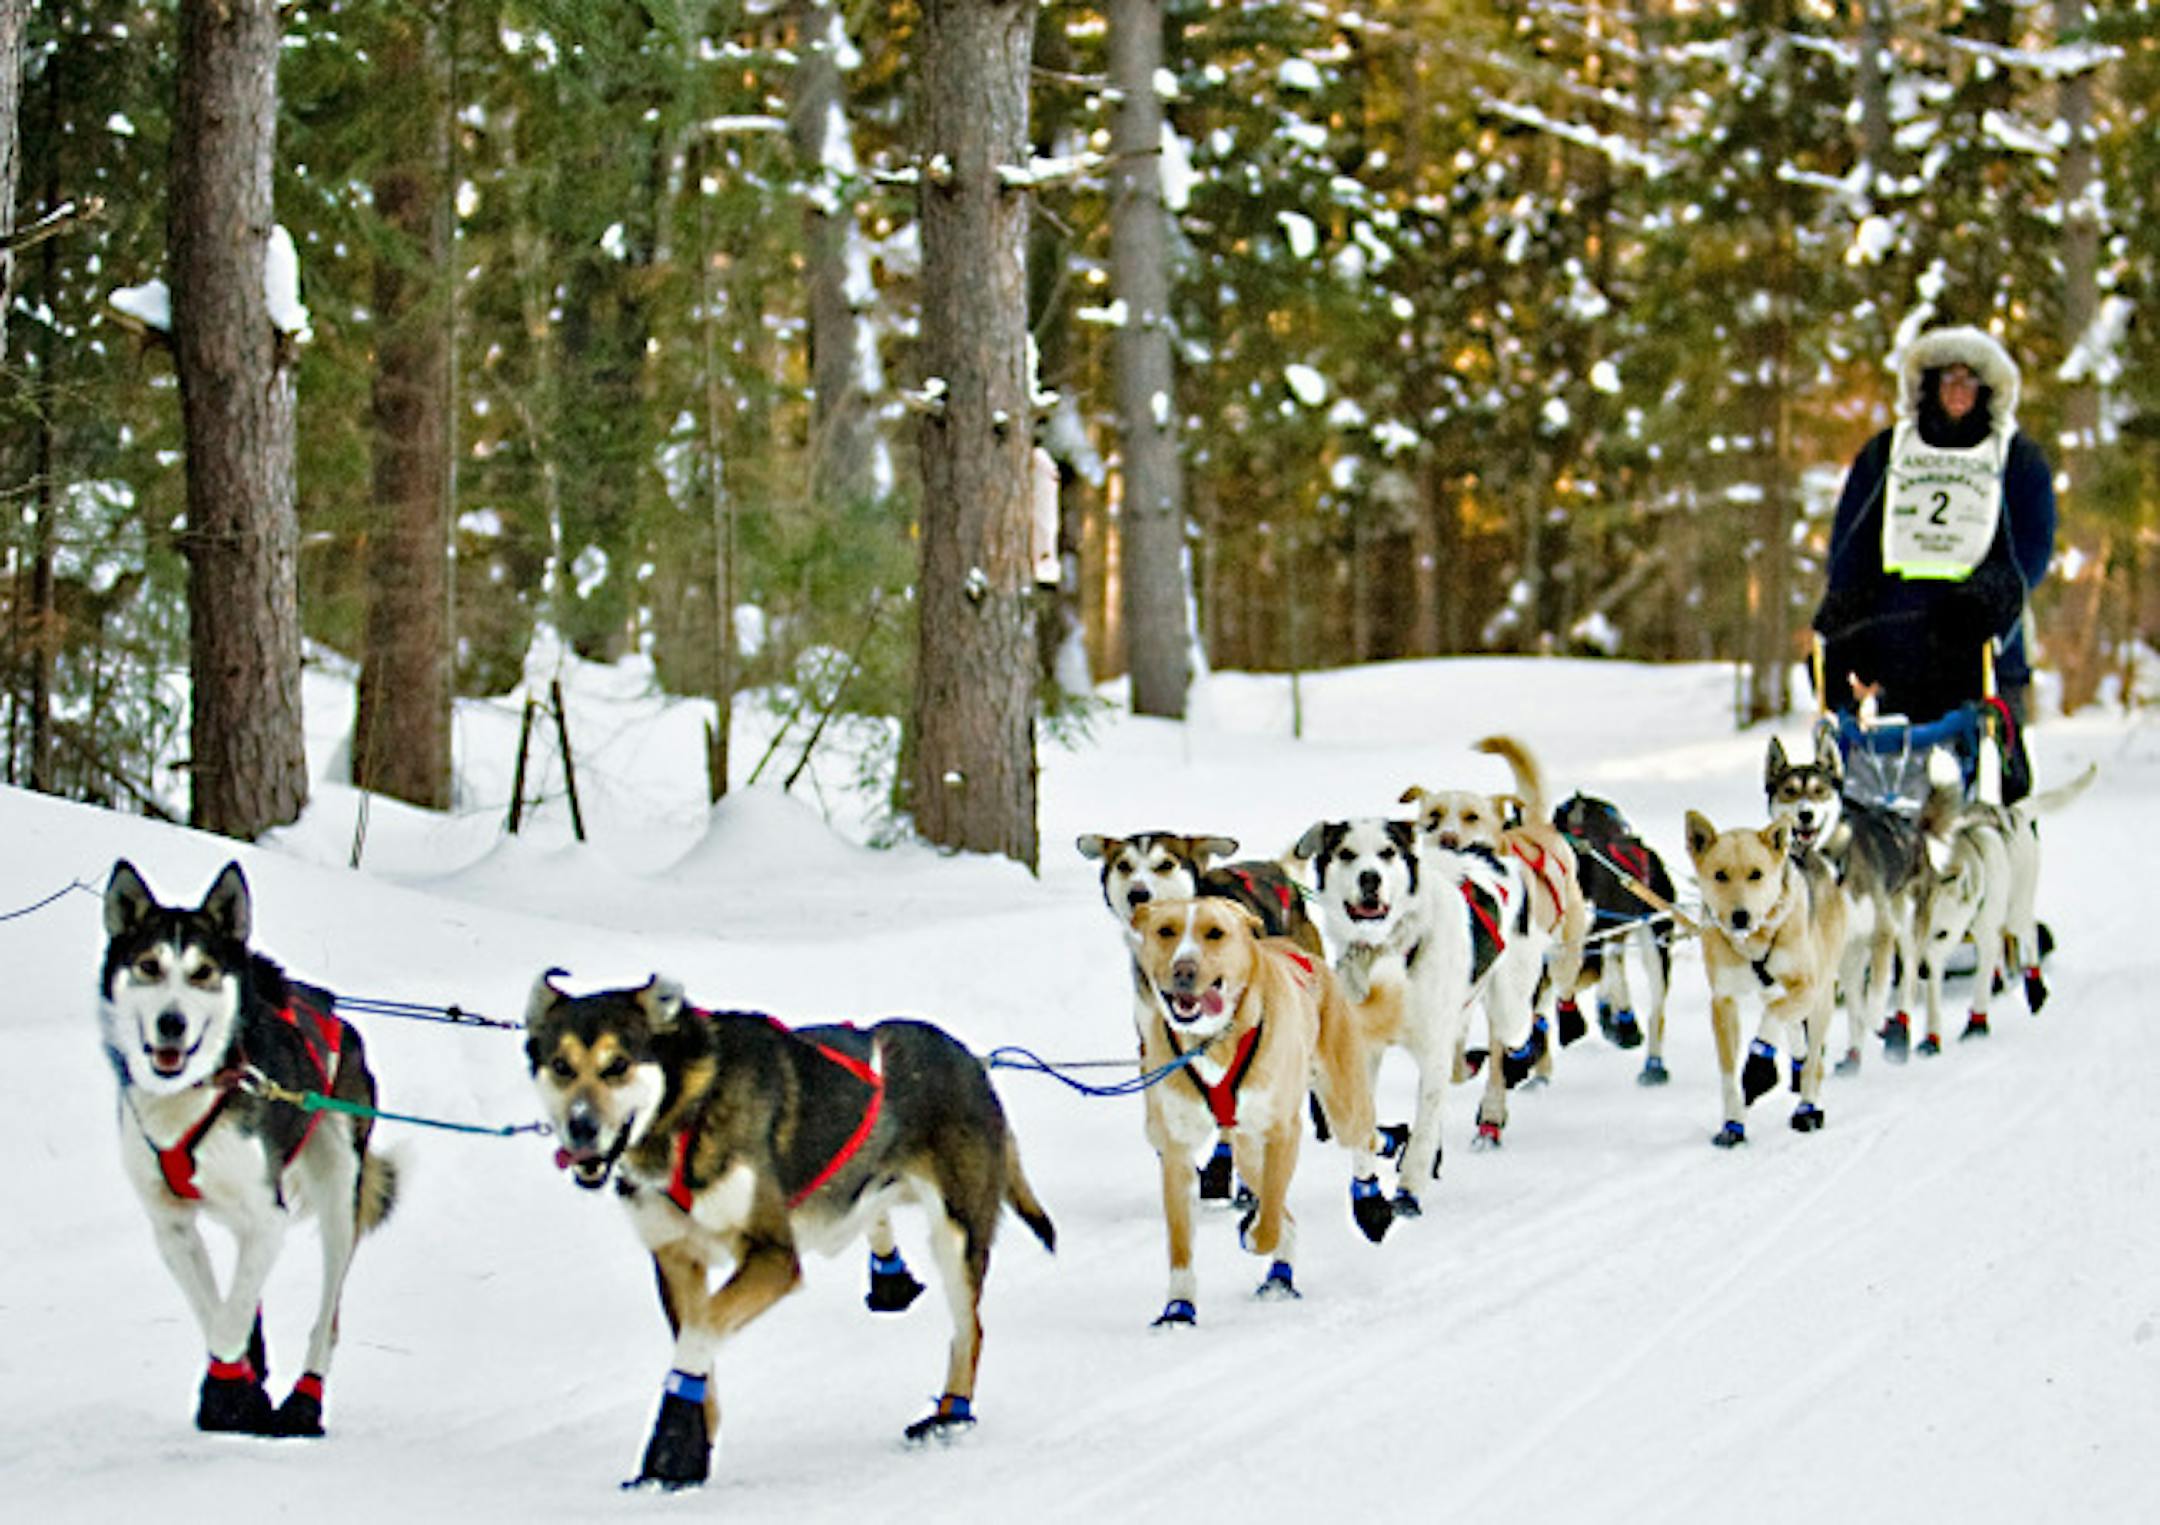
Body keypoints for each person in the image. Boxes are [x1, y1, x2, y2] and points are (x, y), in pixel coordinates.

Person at [1811, 324, 2057, 802]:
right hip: (1901, 639)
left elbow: (2033, 543)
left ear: (1985, 389)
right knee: (1907, 780)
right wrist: (1845, 617)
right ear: (1928, 387)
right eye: (1947, 379)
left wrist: (1993, 596)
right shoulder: (1887, 453)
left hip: (1985, 642)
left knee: (1996, 779)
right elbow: (1853, 541)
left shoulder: (2017, 458)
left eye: (1968, 381)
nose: (1957, 391)